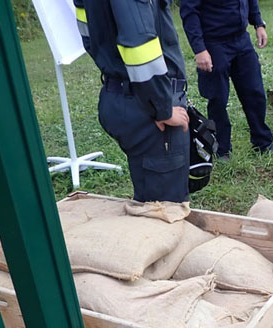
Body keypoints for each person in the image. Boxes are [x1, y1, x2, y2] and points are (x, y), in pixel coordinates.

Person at [73, 0, 190, 203]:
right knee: (163, 209)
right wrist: (161, 107)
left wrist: (112, 65)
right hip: (147, 105)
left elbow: (88, 33)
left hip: (119, 93)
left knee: (150, 194)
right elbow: (139, 43)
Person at [180, 0, 273, 160]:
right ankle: (222, 149)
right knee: (218, 99)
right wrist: (199, 49)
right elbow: (189, 13)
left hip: (241, 40)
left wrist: (258, 23)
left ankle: (263, 142)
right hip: (214, 43)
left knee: (255, 92)